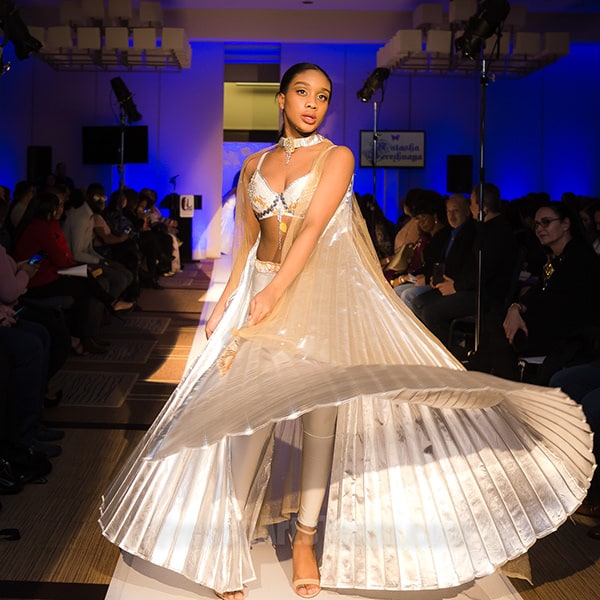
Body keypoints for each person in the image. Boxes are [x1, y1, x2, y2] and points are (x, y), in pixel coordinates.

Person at [100, 63, 593, 600]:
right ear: (281, 99)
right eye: (302, 92)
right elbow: (248, 241)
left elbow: (312, 229)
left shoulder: (337, 157)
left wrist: (275, 291)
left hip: (316, 296)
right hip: (260, 289)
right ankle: (231, 536)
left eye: (323, 96)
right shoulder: (254, 165)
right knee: (247, 412)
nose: (313, 103)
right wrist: (229, 299)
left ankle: (305, 538)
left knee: (321, 413)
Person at [469, 201, 600, 384]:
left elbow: (556, 300)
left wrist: (519, 310)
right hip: (552, 323)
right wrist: (516, 307)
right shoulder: (558, 258)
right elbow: (540, 292)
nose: (539, 229)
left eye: (546, 222)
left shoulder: (579, 258)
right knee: (497, 324)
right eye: (537, 224)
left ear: (565, 224)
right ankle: (482, 383)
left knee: (497, 329)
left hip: (571, 335)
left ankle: (491, 385)